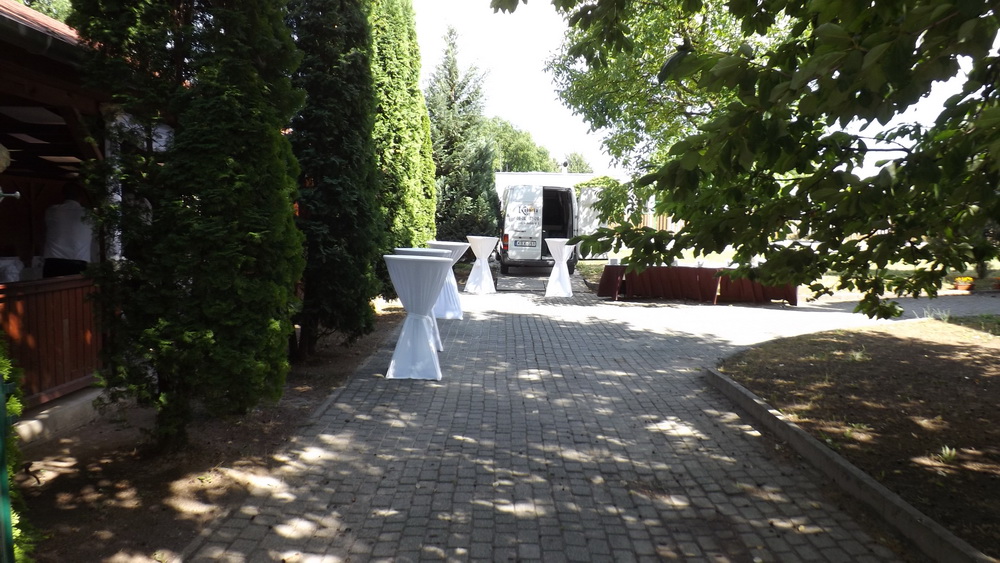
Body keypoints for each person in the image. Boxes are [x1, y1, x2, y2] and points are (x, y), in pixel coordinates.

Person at [42, 183, 94, 278]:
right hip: (79, 261)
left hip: (54, 262)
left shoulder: (52, 211)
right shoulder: (89, 215)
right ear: (81, 197)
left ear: (63, 195)